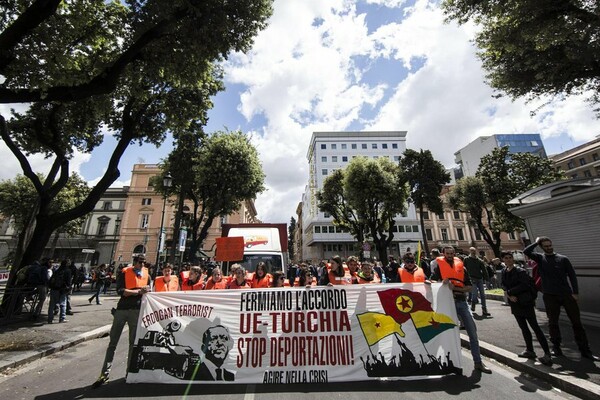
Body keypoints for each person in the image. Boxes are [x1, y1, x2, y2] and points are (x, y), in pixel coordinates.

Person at [524, 237, 596, 360]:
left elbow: (572, 276)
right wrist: (536, 242)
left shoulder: (563, 259)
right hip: (550, 295)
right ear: (542, 247)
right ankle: (556, 348)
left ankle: (585, 349)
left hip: (566, 294)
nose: (549, 247)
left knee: (576, 323)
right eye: (546, 246)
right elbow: (526, 251)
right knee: (553, 323)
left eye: (550, 245)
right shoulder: (540, 258)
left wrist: (575, 292)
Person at [92, 255, 151, 388]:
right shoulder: (124, 272)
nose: (142, 265)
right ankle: (104, 374)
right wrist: (137, 292)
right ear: (134, 262)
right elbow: (120, 291)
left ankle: (128, 373)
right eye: (140, 262)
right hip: (122, 310)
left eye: (144, 262)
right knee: (113, 343)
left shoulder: (147, 274)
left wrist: (146, 291)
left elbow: (149, 290)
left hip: (136, 311)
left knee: (132, 344)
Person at [431, 246, 491, 373]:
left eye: (452, 253)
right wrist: (442, 285)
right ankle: (447, 363)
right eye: (447, 253)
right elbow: (432, 282)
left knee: (472, 333)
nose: (450, 255)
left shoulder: (462, 268)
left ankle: (478, 362)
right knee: (446, 334)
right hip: (447, 303)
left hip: (462, 302)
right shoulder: (439, 268)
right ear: (443, 254)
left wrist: (455, 289)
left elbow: (469, 287)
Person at [500, 251, 552, 366]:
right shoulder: (504, 271)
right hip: (515, 303)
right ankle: (530, 350)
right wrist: (509, 295)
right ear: (503, 260)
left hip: (525, 302)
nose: (508, 260)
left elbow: (524, 285)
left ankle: (547, 353)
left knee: (535, 328)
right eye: (506, 258)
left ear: (513, 259)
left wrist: (510, 292)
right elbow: (503, 284)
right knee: (523, 328)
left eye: (510, 258)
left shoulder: (520, 271)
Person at [464, 247, 490, 316]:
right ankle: (473, 304)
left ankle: (484, 309)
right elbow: (464, 269)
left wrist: (487, 278)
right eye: (472, 251)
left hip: (479, 279)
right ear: (470, 251)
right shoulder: (466, 259)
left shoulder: (479, 260)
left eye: (474, 251)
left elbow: (484, 269)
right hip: (472, 279)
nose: (473, 252)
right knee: (474, 294)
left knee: (482, 295)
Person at [47, 260, 72, 324]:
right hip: (62, 290)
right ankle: (62, 318)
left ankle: (50, 319)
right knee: (63, 304)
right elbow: (68, 282)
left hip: (54, 289)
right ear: (67, 264)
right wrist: (68, 288)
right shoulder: (68, 271)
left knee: (52, 305)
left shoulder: (56, 270)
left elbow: (51, 280)